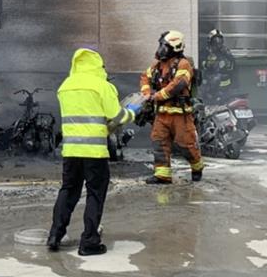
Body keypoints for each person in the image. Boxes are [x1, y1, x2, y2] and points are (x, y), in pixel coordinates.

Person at [47, 46, 134, 256]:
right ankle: (89, 242)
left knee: (68, 191)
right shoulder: (101, 86)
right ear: (98, 65)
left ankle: (55, 235)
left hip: (71, 150)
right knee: (95, 193)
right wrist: (132, 113)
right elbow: (116, 115)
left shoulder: (65, 86)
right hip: (94, 152)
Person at [141, 31, 204, 184]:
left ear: (175, 47)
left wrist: (157, 96)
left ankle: (197, 167)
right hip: (161, 114)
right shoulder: (157, 65)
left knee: (186, 145)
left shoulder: (183, 64)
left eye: (165, 46)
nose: (161, 49)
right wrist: (146, 92)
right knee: (159, 143)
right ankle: (162, 175)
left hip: (180, 114)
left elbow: (178, 85)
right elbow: (145, 77)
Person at [201, 29, 236, 104]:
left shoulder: (225, 52)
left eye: (220, 41)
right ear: (210, 41)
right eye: (215, 41)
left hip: (224, 83)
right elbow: (202, 64)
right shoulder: (206, 52)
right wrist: (208, 64)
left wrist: (225, 64)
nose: (218, 44)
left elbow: (232, 64)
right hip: (208, 83)